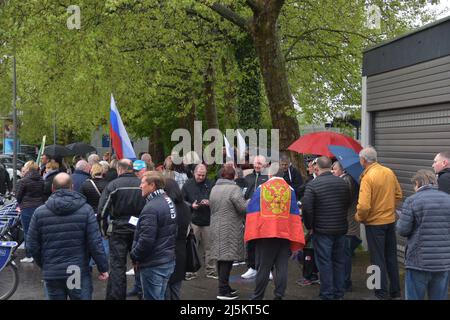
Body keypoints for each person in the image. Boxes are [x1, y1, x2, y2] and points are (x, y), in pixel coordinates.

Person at [27, 173, 108, 300]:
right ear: (72, 187)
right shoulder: (86, 210)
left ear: (53, 188)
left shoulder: (40, 212)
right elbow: (95, 242)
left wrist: (44, 263)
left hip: (52, 271)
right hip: (75, 270)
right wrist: (102, 267)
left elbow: (32, 244)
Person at [245, 163, 305, 300]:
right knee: (282, 267)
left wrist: (253, 233)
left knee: (263, 267)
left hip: (265, 234)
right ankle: (279, 296)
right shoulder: (290, 190)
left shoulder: (262, 188)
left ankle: (257, 296)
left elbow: (253, 211)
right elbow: (294, 214)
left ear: (270, 174)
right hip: (285, 234)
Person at [355, 146, 402, 300]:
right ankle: (395, 291)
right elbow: (398, 194)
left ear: (363, 160)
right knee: (390, 257)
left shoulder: (367, 177)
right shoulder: (388, 172)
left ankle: (379, 293)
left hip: (374, 223)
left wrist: (359, 217)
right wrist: (389, 209)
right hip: (389, 221)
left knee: (376, 259)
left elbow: (363, 206)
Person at [396, 169, 450, 300]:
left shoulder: (412, 200)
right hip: (443, 262)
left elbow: (403, 230)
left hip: (418, 261)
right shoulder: (448, 199)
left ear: (418, 183)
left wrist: (401, 217)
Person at [302, 157, 350, 300]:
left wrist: (310, 226)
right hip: (340, 229)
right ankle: (338, 293)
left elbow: (307, 209)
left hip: (322, 230)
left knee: (324, 262)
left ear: (317, 168)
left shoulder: (313, 185)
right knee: (339, 261)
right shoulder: (343, 183)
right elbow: (347, 203)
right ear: (330, 166)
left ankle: (327, 294)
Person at [98, 159, 146, 300]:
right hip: (139, 229)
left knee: (118, 266)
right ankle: (143, 293)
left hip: (118, 229)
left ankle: (116, 296)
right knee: (140, 263)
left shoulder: (113, 185)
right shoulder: (142, 184)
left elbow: (102, 211)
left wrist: (104, 231)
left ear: (119, 169)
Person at [130, 172, 177, 300]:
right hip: (166, 259)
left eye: (143, 183)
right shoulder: (168, 200)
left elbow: (146, 240)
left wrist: (134, 255)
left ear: (152, 185)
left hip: (154, 263)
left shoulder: (151, 207)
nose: (140, 186)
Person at [210, 166, 248, 300]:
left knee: (221, 258)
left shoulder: (214, 188)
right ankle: (223, 291)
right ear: (233, 176)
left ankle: (224, 287)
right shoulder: (234, 189)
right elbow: (243, 208)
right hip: (229, 228)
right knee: (227, 258)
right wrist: (251, 201)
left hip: (215, 226)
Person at [181, 163, 216, 280]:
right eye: (199, 175)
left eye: (203, 175)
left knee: (210, 247)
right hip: (193, 220)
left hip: (208, 220)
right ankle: (191, 271)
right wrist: (191, 205)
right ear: (194, 173)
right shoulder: (187, 185)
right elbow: (181, 200)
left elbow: (216, 199)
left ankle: (210, 270)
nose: (201, 177)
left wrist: (210, 202)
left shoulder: (211, 184)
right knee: (191, 247)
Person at [331, 161, 362, 292]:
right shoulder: (348, 179)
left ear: (342, 170)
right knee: (345, 254)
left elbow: (344, 201)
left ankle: (345, 282)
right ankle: (344, 281)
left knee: (344, 255)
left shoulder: (346, 181)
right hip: (349, 224)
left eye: (334, 169)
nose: (332, 171)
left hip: (348, 225)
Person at [241, 155, 269, 279]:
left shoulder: (269, 178)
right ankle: (252, 267)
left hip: (265, 216)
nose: (257, 166)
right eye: (256, 163)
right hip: (250, 215)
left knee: (265, 243)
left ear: (265, 165)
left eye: (260, 164)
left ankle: (267, 269)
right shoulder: (247, 178)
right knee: (251, 242)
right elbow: (242, 194)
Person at [164, 178, 191, 300]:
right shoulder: (185, 207)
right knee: (176, 288)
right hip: (181, 249)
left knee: (165, 288)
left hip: (167, 250)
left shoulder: (167, 207)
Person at [16, 160, 44, 263]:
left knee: (28, 232)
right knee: (38, 231)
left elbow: (18, 196)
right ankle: (39, 253)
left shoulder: (24, 180)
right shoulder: (41, 180)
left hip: (27, 208)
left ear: (27, 168)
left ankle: (29, 255)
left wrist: (20, 204)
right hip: (39, 207)